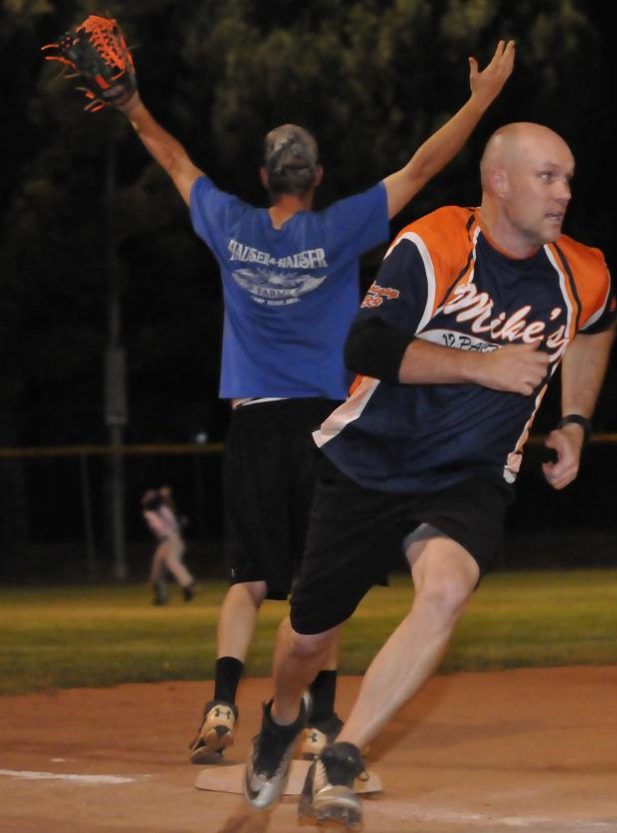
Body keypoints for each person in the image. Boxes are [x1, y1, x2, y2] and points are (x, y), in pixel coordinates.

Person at [114, 38, 515, 764]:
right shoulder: (338, 228)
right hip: (332, 428)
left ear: (264, 176)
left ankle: (221, 702)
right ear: (317, 176)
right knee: (321, 581)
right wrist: (482, 99)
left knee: (249, 579)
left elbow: (173, 159)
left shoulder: (232, 226)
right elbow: (423, 168)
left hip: (254, 421)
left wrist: (131, 103)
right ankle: (321, 722)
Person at [242, 121, 617, 825]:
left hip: (469, 474)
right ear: (499, 181)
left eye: (568, 178)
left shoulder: (581, 271)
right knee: (308, 638)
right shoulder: (437, 243)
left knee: (445, 590)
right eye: (548, 176)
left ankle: (342, 755)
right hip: (370, 460)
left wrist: (575, 421)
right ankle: (281, 718)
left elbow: (597, 324)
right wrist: (486, 365)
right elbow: (367, 344)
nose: (564, 192)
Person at [142, 486, 195, 605]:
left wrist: (165, 498)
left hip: (172, 540)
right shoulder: (153, 512)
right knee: (156, 571)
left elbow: (171, 524)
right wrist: (165, 497)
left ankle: (188, 584)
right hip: (165, 542)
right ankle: (162, 596)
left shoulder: (161, 510)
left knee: (172, 562)